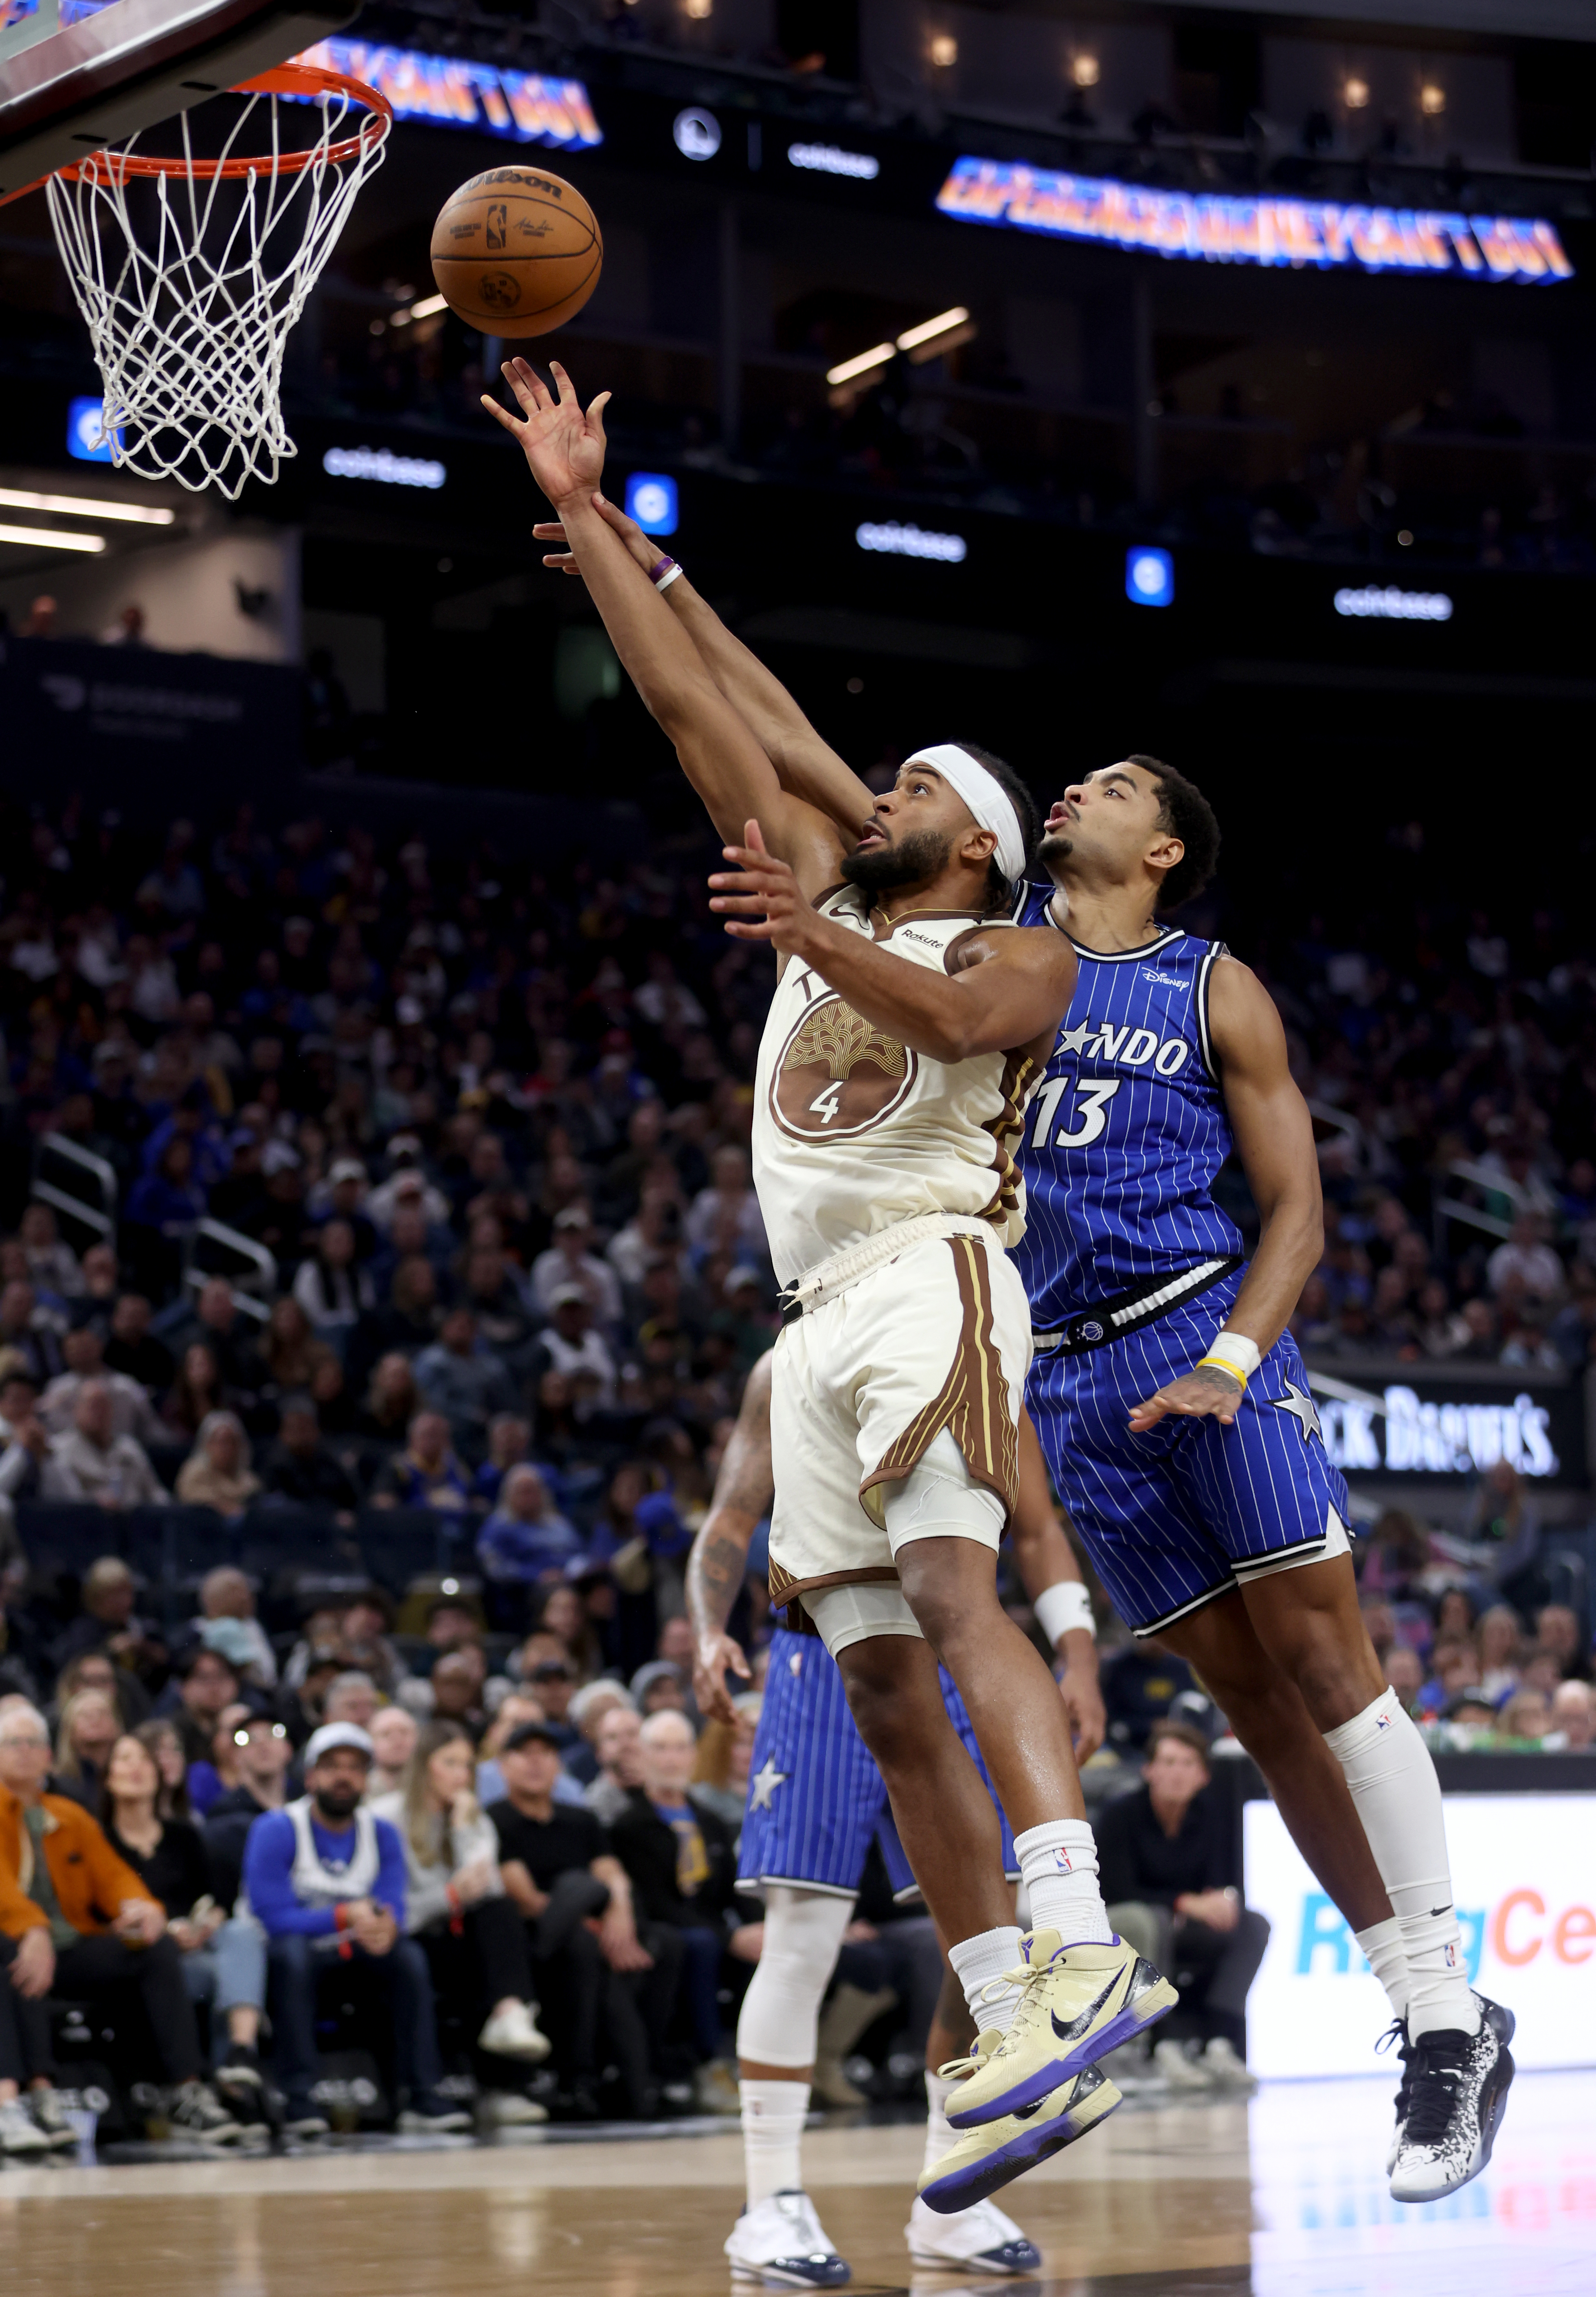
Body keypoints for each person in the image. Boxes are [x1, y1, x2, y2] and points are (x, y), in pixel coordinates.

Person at [695, 616, 1515, 2198]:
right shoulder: (988, 941)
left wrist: (1236, 1355)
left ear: (1165, 847)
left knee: (1330, 1668)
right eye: (1076, 776)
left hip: (1199, 1333)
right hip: (1060, 1367)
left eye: (1118, 782)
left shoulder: (1215, 986)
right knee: (1253, 1713)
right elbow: (806, 762)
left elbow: (1296, 1213)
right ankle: (1435, 2002)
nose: (1081, 785)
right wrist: (657, 577)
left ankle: (1430, 2014)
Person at [498, 364, 1150, 2222]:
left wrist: (806, 930)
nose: (864, 793)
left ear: (970, 835)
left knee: (952, 1596)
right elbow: (708, 699)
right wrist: (605, 529)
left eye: (906, 786)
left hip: (928, 1273)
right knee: (873, 1685)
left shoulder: (1009, 947)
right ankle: (1012, 2014)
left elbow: (939, 1018)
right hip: (807, 1322)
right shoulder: (830, 878)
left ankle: (1076, 1936)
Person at [686, 1349, 1107, 2279]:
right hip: (820, 1659)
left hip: (952, 1659)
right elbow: (728, 1516)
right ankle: (767, 2205)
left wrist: (1076, 1654)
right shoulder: (785, 1365)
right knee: (801, 1938)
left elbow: (1035, 1529)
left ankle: (949, 2192)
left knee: (986, 1932)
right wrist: (707, 1624)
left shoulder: (977, 1350)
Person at [0, 1703, 245, 2142]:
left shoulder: (71, 1816)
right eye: (11, 1743)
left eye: (32, 1742)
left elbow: (114, 1878)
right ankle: (35, 2096)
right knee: (13, 1954)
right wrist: (32, 1929)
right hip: (17, 1939)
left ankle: (186, 2092)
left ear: (49, 1757)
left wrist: (143, 1908)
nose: (23, 1752)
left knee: (154, 1949)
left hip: (69, 1945)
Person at [242, 1721, 470, 2138]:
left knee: (407, 1956)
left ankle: (421, 2094)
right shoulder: (276, 1828)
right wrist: (345, 1916)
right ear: (310, 1777)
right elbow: (273, 1918)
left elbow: (392, 1905)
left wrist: (386, 1927)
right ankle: (297, 2098)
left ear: (367, 1778)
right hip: (288, 1956)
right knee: (292, 1955)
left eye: (354, 1767)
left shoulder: (381, 1832)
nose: (343, 1776)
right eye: (331, 1767)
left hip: (353, 1953)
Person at [488, 1718, 676, 2120]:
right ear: (503, 1766)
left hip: (596, 1927)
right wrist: (588, 1918)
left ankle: (649, 2070)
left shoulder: (581, 1818)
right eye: (524, 1754)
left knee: (666, 1943)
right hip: (537, 1935)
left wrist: (619, 1914)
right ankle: (592, 2076)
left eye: (546, 1754)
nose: (536, 1764)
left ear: (559, 1764)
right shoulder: (497, 1819)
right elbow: (523, 1898)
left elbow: (611, 1874)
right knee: (581, 1932)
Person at [369, 1720, 551, 2126]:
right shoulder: (386, 1820)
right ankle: (434, 2091)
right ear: (424, 1766)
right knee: (440, 1958)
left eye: (467, 1765)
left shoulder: (473, 1817)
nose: (460, 1775)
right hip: (407, 1936)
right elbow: (391, 1911)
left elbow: (490, 1890)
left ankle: (509, 2032)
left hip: (458, 1937)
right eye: (449, 1763)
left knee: (501, 1916)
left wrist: (465, 1830)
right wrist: (449, 1896)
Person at [100, 1725, 269, 2128]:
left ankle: (238, 2057)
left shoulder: (183, 1835)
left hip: (200, 1942)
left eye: (145, 1760)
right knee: (225, 1976)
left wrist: (207, 1924)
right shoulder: (99, 1841)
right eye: (125, 1760)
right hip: (150, 1953)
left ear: (161, 1776)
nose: (137, 1768)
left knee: (242, 1936)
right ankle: (229, 2094)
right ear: (107, 1778)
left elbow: (218, 1900)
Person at [1095, 1722, 1269, 2093]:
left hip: (1183, 1923)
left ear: (1203, 1775)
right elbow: (1117, 1889)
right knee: (1151, 1919)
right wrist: (1182, 1901)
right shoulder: (1120, 1815)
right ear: (1149, 1770)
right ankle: (1162, 2044)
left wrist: (1223, 1901)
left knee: (1251, 1924)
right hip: (1125, 1922)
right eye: (1169, 1762)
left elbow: (1223, 1882)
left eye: (1188, 1763)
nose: (1177, 1772)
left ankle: (1219, 2044)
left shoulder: (1211, 1816)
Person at [610, 1708, 750, 2113]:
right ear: (642, 1755)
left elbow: (733, 1890)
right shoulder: (629, 1826)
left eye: (679, 1749)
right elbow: (655, 1902)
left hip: (711, 1929)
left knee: (769, 1947)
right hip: (661, 1932)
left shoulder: (711, 1821)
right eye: (660, 1748)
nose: (671, 1759)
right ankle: (707, 2063)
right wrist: (730, 1937)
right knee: (702, 1944)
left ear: (693, 1755)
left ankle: (766, 2062)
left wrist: (756, 1928)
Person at [42, 1379, 167, 1506]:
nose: (99, 1413)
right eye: (92, 1406)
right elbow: (62, 1498)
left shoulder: (129, 1447)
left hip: (133, 1519)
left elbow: (156, 1493)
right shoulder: (59, 1448)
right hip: (86, 1520)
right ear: (77, 1410)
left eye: (103, 1406)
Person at [176, 1414, 262, 1519]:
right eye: (221, 1442)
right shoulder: (193, 1473)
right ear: (208, 1444)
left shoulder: (248, 1480)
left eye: (232, 1442)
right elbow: (191, 1498)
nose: (226, 1449)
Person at [367, 1703, 418, 1797]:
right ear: (371, 1742)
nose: (397, 1740)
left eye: (404, 1732)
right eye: (386, 1734)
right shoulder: (362, 1791)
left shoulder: (432, 1788)